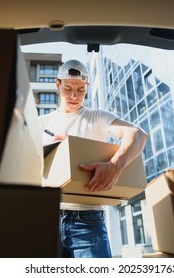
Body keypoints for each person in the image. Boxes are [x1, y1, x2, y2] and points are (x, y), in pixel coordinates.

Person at [39, 59, 148, 258]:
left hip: (87, 221)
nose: (74, 95)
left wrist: (115, 165)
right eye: (68, 88)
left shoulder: (97, 117)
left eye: (80, 90)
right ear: (57, 85)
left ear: (87, 87)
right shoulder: (41, 123)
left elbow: (138, 135)